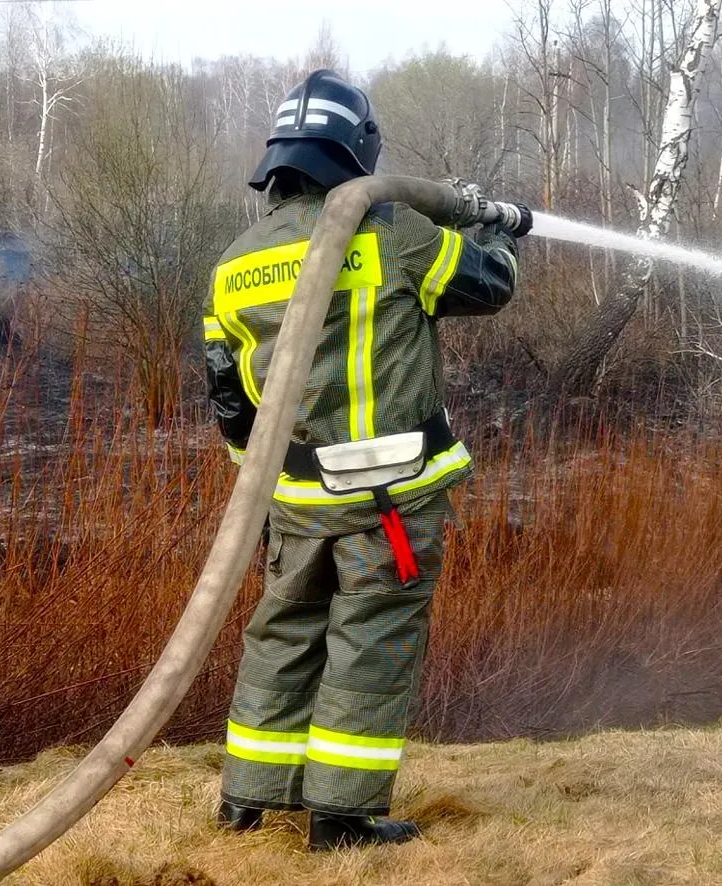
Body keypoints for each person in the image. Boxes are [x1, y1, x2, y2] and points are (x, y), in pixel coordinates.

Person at [202, 69, 531, 851]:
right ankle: (342, 818)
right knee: (371, 640)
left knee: (282, 633)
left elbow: (228, 398)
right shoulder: (394, 236)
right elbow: (489, 286)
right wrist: (495, 230)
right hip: (389, 501)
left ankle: (248, 797)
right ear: (356, 152)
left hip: (290, 498)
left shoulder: (235, 263)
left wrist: (271, 481)